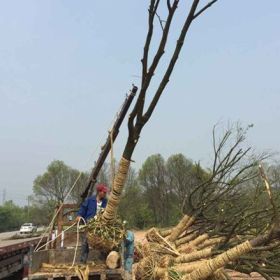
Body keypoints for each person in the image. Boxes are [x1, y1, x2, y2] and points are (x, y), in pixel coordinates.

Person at [76, 183, 108, 263]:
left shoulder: (105, 202)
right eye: (104, 192)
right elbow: (83, 208)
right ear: (99, 192)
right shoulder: (90, 200)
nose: (105, 194)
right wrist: (79, 215)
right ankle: (83, 261)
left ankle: (102, 261)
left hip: (101, 225)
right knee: (85, 243)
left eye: (105, 192)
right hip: (89, 224)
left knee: (103, 242)